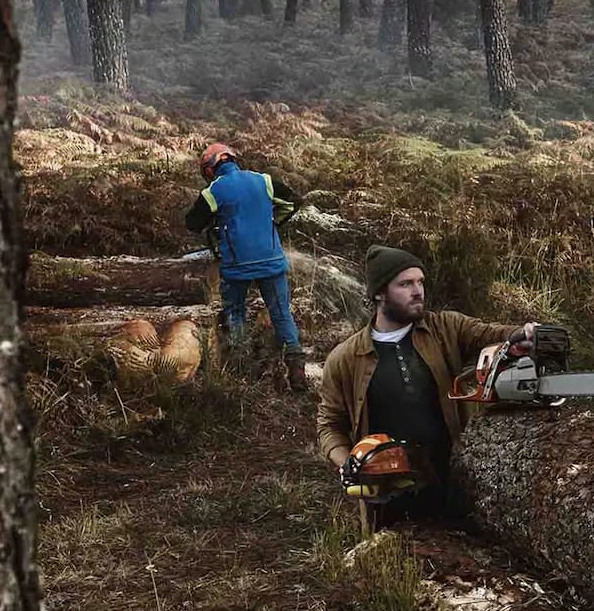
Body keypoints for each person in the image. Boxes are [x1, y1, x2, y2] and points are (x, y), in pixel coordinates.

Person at [316, 245, 536, 526]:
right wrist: (349, 463)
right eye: (405, 284)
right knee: (399, 563)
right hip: (388, 494)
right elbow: (329, 425)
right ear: (379, 293)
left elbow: (489, 333)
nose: (418, 291)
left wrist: (522, 334)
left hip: (454, 483)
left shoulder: (445, 328)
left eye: (420, 282)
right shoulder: (345, 358)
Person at [184, 143, 308, 390]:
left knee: (235, 314)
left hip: (236, 265)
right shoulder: (264, 180)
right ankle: (296, 371)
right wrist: (271, 223)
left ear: (209, 169)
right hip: (272, 261)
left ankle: (243, 370)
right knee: (281, 314)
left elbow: (193, 223)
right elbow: (293, 202)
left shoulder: (213, 192)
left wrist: (219, 225)